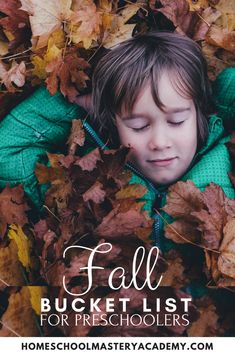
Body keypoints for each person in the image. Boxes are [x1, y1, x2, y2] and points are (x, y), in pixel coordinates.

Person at [0, 31, 234, 248]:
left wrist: (219, 96)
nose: (160, 142)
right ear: (114, 124)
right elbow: (7, 151)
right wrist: (74, 103)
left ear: (199, 112)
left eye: (177, 121)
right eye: (138, 126)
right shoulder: (83, 182)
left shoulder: (227, 162)